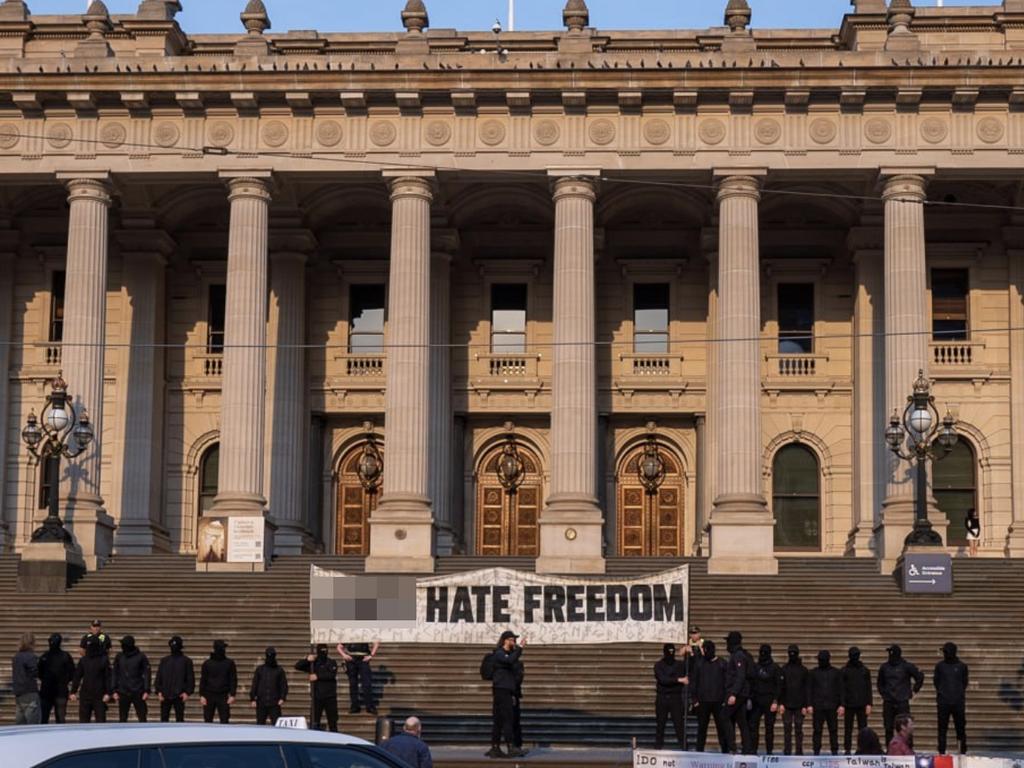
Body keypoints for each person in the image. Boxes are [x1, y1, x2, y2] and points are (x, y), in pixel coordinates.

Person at [486, 630, 526, 759]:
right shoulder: (499, 653)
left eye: (514, 640)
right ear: (505, 641)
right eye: (512, 640)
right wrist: (520, 648)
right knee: (507, 719)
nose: (514, 642)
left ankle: (495, 747)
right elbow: (509, 661)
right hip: (502, 690)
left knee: (498, 720)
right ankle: (510, 747)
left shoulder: (507, 654)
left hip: (503, 689)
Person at [877, 644, 923, 746]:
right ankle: (890, 749)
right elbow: (880, 683)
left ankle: (908, 748)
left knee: (905, 727)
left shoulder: (906, 666)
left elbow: (919, 676)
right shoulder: (884, 667)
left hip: (902, 701)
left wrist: (914, 690)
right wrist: (884, 693)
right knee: (888, 727)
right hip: (888, 701)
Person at [692, 640, 731, 753]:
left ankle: (725, 751)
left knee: (722, 729)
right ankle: (699, 751)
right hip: (702, 702)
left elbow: (727, 682)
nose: (704, 652)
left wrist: (725, 699)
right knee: (702, 729)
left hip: (719, 702)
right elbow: (694, 682)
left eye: (704, 649)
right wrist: (694, 700)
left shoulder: (722, 663)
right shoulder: (699, 664)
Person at [934, 642, 969, 755]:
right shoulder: (940, 666)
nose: (944, 654)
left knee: (960, 729)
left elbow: (964, 682)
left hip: (958, 702)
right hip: (943, 702)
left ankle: (962, 751)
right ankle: (941, 752)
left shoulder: (962, 666)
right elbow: (936, 682)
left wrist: (957, 693)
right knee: (942, 729)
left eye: (945, 651)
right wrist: (942, 692)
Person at [296, 644, 339, 732]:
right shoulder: (314, 663)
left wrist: (318, 676)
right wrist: (307, 659)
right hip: (317, 697)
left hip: (330, 697)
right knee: (315, 722)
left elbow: (331, 674)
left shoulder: (331, 662)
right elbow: (298, 666)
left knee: (333, 722)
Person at [654, 643, 688, 750]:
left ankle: (684, 748)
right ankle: (658, 748)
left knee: (679, 726)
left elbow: (693, 667)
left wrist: (688, 654)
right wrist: (678, 680)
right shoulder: (658, 665)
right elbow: (663, 680)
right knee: (660, 725)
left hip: (675, 697)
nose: (670, 655)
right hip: (662, 697)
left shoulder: (680, 664)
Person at [807, 650, 842, 756]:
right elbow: (809, 689)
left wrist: (841, 705)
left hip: (832, 706)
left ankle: (834, 751)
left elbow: (840, 689)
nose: (820, 661)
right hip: (818, 706)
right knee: (817, 730)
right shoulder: (813, 673)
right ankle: (816, 751)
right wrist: (809, 704)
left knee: (833, 730)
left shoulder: (836, 672)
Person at [749, 644, 782, 755]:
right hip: (756, 701)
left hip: (769, 701)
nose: (762, 654)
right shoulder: (755, 666)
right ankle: (753, 750)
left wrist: (775, 701)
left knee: (769, 728)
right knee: (753, 726)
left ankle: (769, 751)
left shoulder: (775, 668)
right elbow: (751, 683)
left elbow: (778, 685)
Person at [724, 631, 753, 754]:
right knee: (741, 721)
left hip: (738, 693)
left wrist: (733, 694)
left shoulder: (738, 656)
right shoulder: (737, 654)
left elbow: (740, 676)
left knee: (724, 716)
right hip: (740, 693)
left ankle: (732, 747)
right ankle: (747, 748)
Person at [71, 635, 112, 723]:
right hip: (91, 694)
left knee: (96, 722)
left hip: (97, 695)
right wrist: (73, 691)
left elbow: (108, 677)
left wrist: (108, 693)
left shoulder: (102, 660)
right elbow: (77, 676)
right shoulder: (85, 660)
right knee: (87, 722)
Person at [779, 644, 810, 756]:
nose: (792, 655)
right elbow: (780, 688)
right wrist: (781, 703)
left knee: (798, 729)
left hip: (799, 704)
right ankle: (787, 750)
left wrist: (806, 705)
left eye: (794, 653)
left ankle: (799, 751)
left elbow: (807, 689)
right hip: (786, 704)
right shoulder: (784, 669)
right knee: (787, 729)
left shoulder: (804, 670)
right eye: (790, 653)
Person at [156, 635, 195, 722]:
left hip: (179, 695)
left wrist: (187, 692)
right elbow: (159, 676)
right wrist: (159, 691)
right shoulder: (164, 660)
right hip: (165, 694)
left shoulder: (186, 661)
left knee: (180, 719)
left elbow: (190, 678)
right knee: (164, 719)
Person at [841, 647, 872, 755]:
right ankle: (847, 749)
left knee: (863, 729)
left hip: (862, 704)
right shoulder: (844, 671)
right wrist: (842, 704)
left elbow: (868, 688)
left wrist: (869, 703)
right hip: (849, 704)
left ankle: (862, 748)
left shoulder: (865, 671)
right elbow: (841, 689)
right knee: (848, 729)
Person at [38, 633, 75, 725]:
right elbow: (72, 673)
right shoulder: (64, 656)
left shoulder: (45, 656)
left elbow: (39, 673)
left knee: (46, 718)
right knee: (59, 719)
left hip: (51, 691)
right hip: (56, 692)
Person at [112, 636, 150, 723]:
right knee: (122, 717)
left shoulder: (141, 657)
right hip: (123, 691)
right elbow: (114, 673)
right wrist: (114, 690)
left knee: (142, 716)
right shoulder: (119, 657)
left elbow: (147, 673)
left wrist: (146, 690)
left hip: (138, 691)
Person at [200, 640, 237, 724]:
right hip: (209, 694)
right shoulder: (207, 663)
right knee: (208, 720)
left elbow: (233, 679)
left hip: (223, 695)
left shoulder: (229, 663)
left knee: (224, 720)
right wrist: (202, 695)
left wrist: (232, 694)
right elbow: (203, 679)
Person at [337, 640, 378, 715]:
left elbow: (376, 642)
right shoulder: (349, 633)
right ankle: (354, 706)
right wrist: (344, 655)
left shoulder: (365, 632)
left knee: (367, 684)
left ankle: (369, 706)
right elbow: (339, 647)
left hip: (363, 659)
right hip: (351, 660)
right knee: (353, 684)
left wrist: (371, 655)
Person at [250, 647, 288, 726]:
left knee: (277, 725)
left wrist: (282, 697)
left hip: (274, 703)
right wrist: (252, 698)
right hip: (261, 702)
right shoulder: (260, 669)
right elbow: (255, 684)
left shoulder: (279, 670)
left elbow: (283, 685)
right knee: (260, 724)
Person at [12, 633, 41, 725]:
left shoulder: (16, 657)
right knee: (32, 723)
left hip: (18, 692)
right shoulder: (31, 656)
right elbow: (35, 672)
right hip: (30, 691)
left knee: (20, 723)